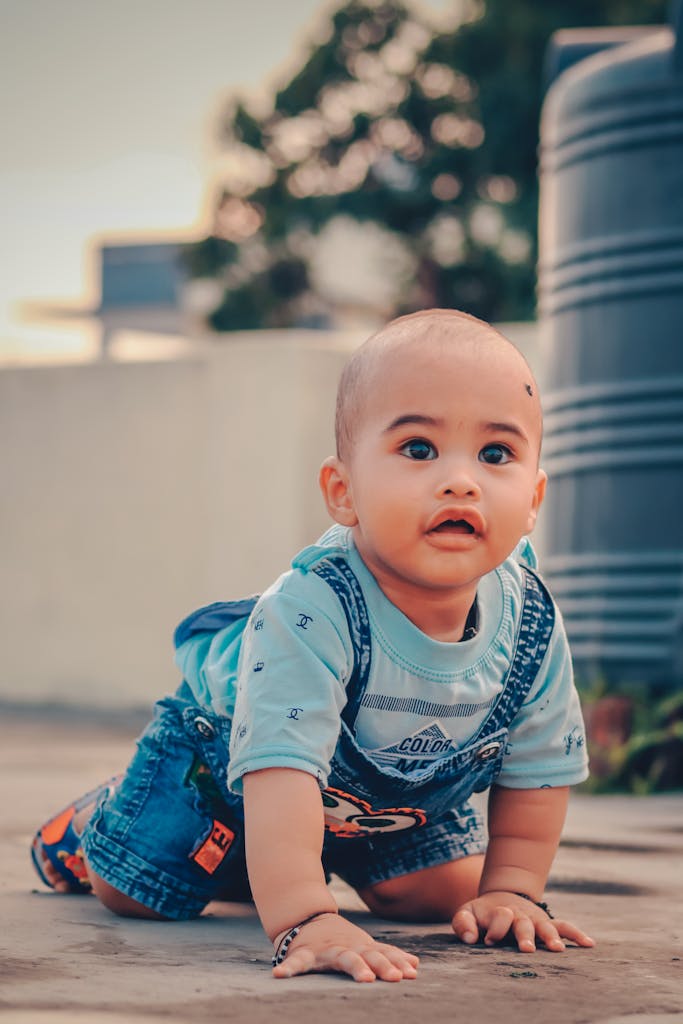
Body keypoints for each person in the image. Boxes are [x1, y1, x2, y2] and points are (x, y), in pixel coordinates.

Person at [32, 308, 594, 983]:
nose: (461, 480)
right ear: (342, 491)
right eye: (418, 448)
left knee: (448, 897)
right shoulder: (311, 608)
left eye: (494, 454)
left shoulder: (529, 620)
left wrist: (514, 889)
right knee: (140, 892)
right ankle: (101, 823)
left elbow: (537, 770)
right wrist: (306, 915)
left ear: (532, 499)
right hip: (230, 772)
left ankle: (259, 861)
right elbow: (283, 773)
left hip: (376, 810)